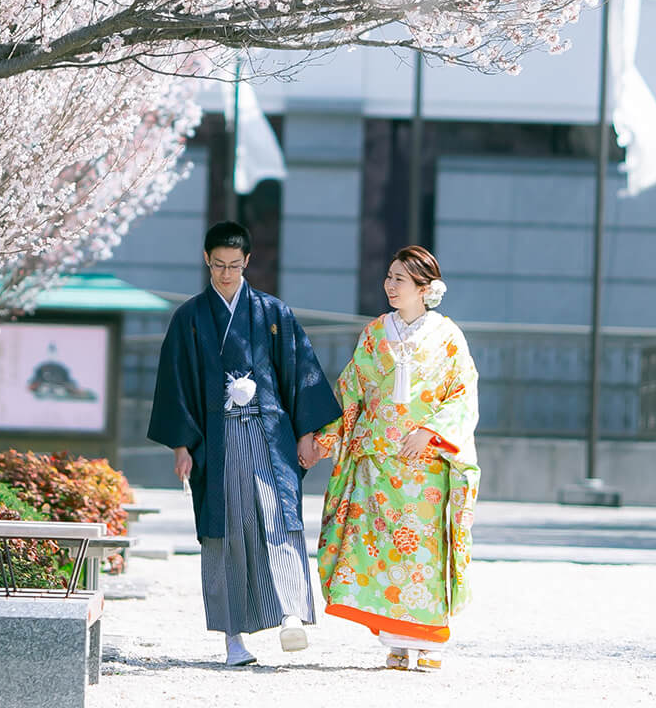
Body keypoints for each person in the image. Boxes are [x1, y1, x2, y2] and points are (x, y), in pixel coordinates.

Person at [147, 220, 341, 667]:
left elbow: (300, 372)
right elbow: (175, 385)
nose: (227, 274)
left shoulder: (272, 314)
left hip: (268, 432)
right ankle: (234, 639)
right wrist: (180, 445)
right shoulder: (191, 318)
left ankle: (291, 612)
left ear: (248, 262)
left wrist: (307, 434)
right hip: (216, 438)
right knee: (227, 530)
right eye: (218, 265)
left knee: (279, 518)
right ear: (206, 260)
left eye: (235, 265)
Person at [308, 246, 479, 672]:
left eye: (399, 278)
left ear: (425, 288)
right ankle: (397, 641)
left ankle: (429, 640)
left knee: (422, 551)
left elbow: (463, 392)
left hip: (426, 464)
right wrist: (323, 439)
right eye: (389, 276)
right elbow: (351, 389)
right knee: (381, 550)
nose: (390, 284)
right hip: (378, 462)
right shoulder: (374, 333)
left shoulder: (448, 336)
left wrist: (430, 432)